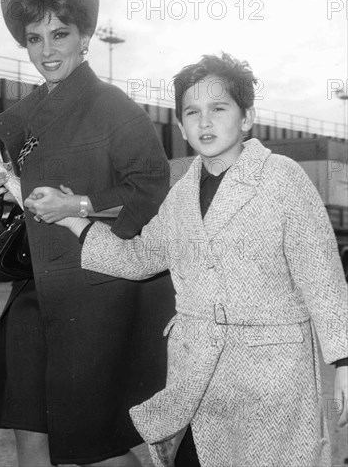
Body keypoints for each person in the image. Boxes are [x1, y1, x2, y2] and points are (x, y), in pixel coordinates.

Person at [46, 53, 348, 467]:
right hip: (199, 373)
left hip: (274, 376)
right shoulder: (182, 192)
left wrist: (344, 360)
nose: (204, 123)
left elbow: (323, 276)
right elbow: (140, 257)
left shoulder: (282, 178)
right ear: (182, 124)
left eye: (218, 109)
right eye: (192, 112)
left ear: (246, 118)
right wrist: (71, 220)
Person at [0, 0, 175, 467]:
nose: (47, 51)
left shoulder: (115, 109)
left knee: (91, 446)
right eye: (34, 38)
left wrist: (77, 205)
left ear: (85, 37)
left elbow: (150, 190)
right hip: (33, 290)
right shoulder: (28, 108)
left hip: (96, 295)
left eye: (60, 34)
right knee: (28, 427)